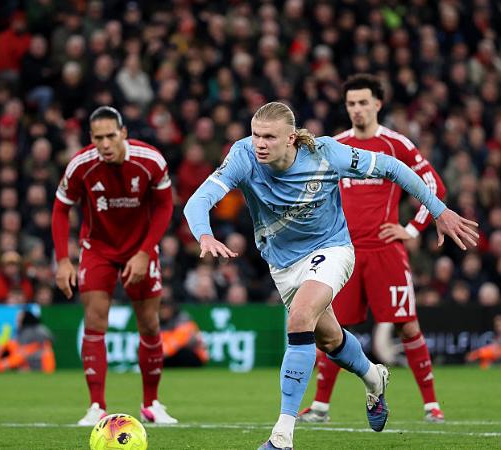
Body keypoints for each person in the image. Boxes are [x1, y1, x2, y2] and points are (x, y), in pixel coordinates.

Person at [183, 102, 478, 450]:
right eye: (255, 135)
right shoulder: (243, 156)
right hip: (281, 264)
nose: (259, 143)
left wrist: (438, 210)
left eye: (269, 137)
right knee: (329, 339)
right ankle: (373, 377)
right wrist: (204, 234)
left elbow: (393, 168)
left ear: (291, 138)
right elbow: (197, 201)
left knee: (300, 318)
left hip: (332, 249)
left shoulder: (326, 154)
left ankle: (282, 436)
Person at [298, 74, 448, 424]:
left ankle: (431, 405)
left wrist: (411, 229)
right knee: (329, 326)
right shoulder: (335, 145)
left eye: (364, 102)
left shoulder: (396, 145)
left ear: (378, 104)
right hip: (343, 252)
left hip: (386, 252)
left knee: (407, 326)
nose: (357, 109)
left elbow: (433, 185)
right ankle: (320, 407)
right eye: (351, 103)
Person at [51, 106, 177, 425]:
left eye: (110, 136)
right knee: (95, 322)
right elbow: (60, 210)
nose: (105, 144)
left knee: (149, 324)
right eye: (98, 138)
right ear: (90, 139)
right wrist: (63, 260)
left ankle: (151, 404)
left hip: (140, 248)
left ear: (123, 133)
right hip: (98, 249)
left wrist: (146, 251)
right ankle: (96, 406)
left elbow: (164, 206)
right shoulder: (81, 165)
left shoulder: (151, 161)